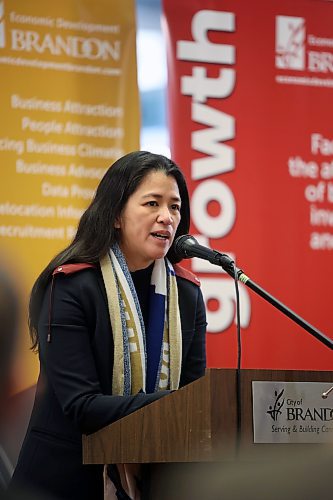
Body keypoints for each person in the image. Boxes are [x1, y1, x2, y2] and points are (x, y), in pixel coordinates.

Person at [11, 151, 207, 500]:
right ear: (116, 214)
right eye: (152, 203)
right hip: (63, 481)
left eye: (175, 207)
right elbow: (83, 407)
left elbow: (196, 398)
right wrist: (177, 407)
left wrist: (196, 407)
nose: (167, 217)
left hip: (157, 480)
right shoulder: (73, 286)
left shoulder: (187, 296)